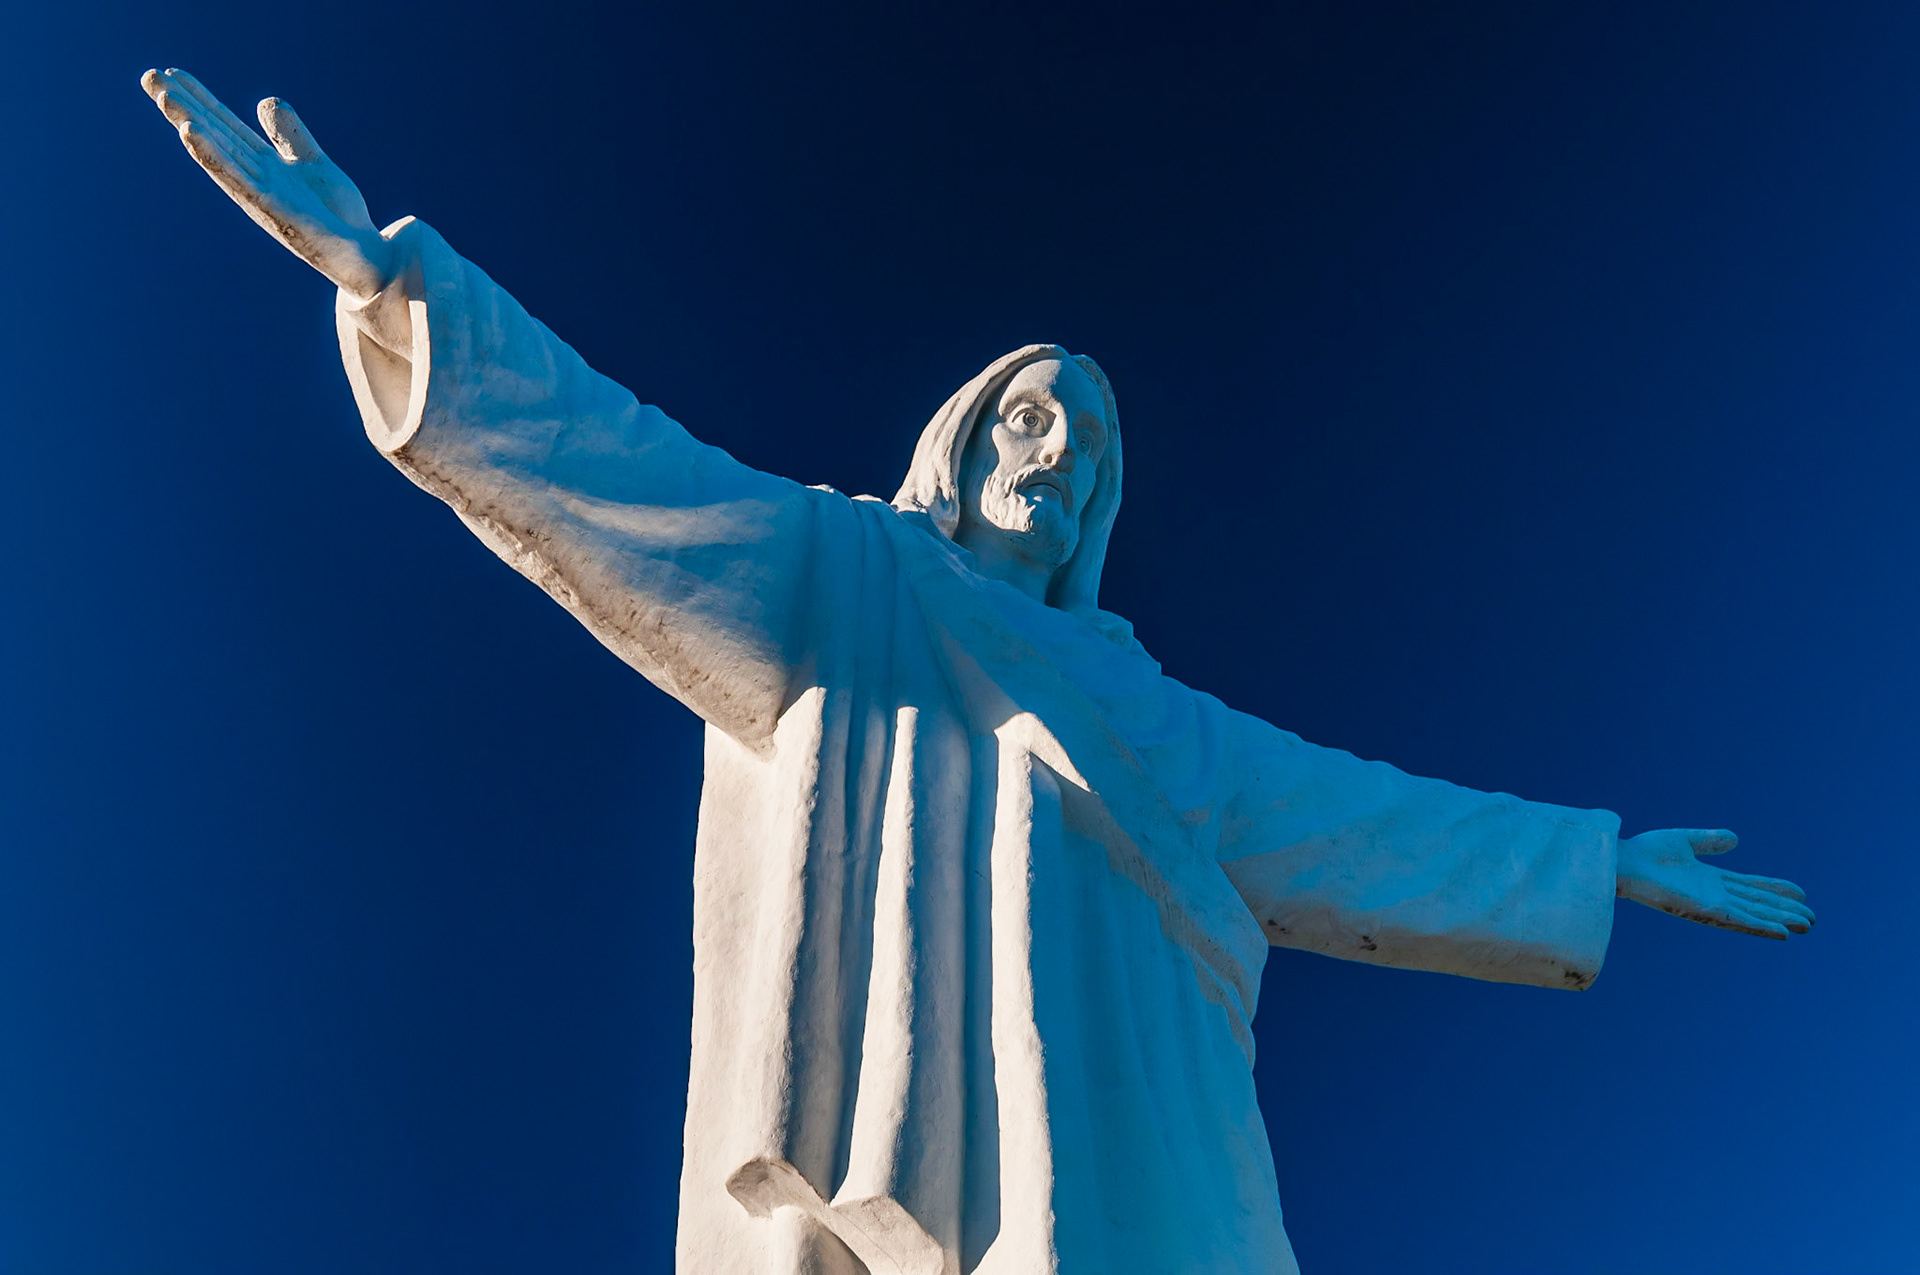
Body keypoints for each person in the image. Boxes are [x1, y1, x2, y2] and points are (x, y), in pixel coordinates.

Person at [140, 69, 1814, 1275]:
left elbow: (1355, 820)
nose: (1063, 454)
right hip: (930, 1100)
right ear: (964, 437)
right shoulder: (845, 573)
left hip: (1140, 1130)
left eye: (1090, 446)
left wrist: (1594, 861)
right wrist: (404, 289)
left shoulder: (1150, 706)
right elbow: (625, 472)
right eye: (1035, 416)